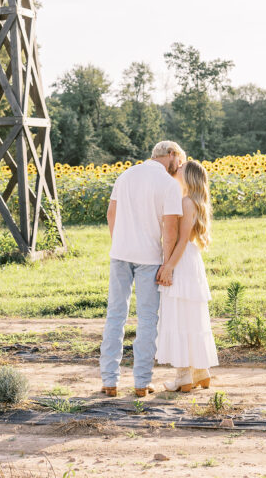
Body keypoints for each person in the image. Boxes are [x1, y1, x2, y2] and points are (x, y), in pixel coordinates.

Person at [99, 140, 186, 397]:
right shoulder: (168, 184)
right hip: (149, 258)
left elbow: (110, 214)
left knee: (115, 314)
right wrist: (167, 264)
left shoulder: (126, 175)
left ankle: (109, 380)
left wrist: (120, 242)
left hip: (120, 254)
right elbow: (170, 231)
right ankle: (141, 382)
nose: (178, 167)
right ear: (171, 155)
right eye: (178, 161)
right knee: (148, 319)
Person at [155, 159, 219, 391]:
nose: (176, 168)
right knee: (191, 315)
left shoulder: (185, 202)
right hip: (192, 260)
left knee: (178, 315)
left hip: (181, 261)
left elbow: (181, 240)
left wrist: (169, 266)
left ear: (189, 175)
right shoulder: (196, 202)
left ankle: (183, 375)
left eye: (181, 168)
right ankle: (200, 370)